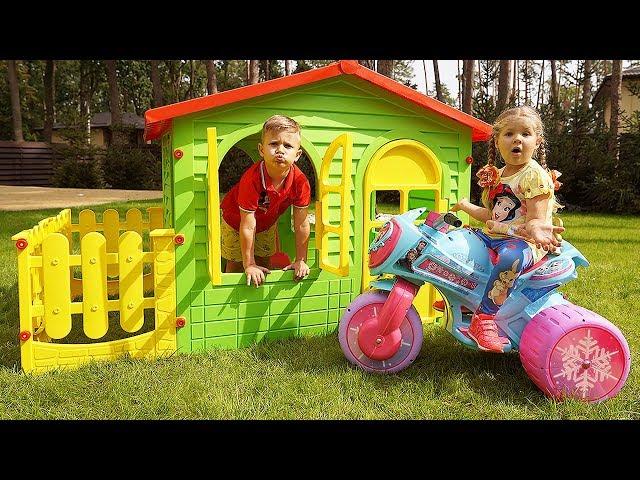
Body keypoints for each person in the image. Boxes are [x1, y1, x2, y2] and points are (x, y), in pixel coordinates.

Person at [451, 106, 565, 353]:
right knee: (458, 241)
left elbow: (535, 218)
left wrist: (535, 230)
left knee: (510, 259)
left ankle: (484, 319)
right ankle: (460, 297)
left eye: (525, 134)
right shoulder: (498, 175)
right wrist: (465, 205)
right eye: (509, 134)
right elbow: (491, 216)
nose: (517, 139)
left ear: (537, 142)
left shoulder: (534, 175)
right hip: (496, 235)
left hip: (526, 241)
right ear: (497, 140)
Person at [220, 115, 311, 287]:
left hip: (266, 223)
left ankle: (262, 295)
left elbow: (302, 224)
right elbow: (247, 225)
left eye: (288, 145)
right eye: (274, 144)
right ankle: (229, 294)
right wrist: (249, 264)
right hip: (235, 221)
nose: (280, 150)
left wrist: (301, 260)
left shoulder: (300, 182)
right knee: (236, 262)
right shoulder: (252, 179)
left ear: (298, 154)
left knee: (265, 260)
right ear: (261, 150)